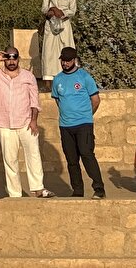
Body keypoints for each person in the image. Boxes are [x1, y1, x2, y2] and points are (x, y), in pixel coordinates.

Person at [0, 47, 53, 198]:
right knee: (10, 160)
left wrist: (34, 121)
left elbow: (34, 100)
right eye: (8, 58)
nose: (11, 61)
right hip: (4, 123)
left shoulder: (27, 76)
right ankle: (15, 194)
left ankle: (38, 188)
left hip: (25, 122)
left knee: (33, 154)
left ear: (18, 59)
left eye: (14, 58)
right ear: (5, 59)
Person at [51, 47, 105, 198]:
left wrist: (86, 115)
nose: (65, 63)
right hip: (65, 126)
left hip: (84, 125)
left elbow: (95, 100)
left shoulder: (84, 76)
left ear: (74, 60)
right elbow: (58, 100)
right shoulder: (58, 79)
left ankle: (99, 188)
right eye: (63, 60)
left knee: (87, 155)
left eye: (68, 60)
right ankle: (78, 190)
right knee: (72, 160)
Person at [40, 0, 77, 84]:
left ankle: (68, 76)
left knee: (66, 49)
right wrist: (52, 10)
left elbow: (73, 10)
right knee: (49, 52)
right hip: (50, 25)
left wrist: (61, 13)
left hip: (64, 25)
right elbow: (44, 8)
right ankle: (48, 81)